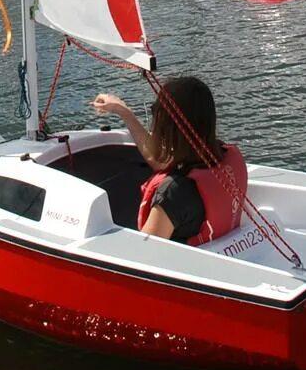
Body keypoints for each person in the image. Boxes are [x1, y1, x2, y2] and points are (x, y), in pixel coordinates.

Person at [92, 77, 247, 245]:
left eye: (155, 111)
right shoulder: (224, 156)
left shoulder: (173, 193)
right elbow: (160, 160)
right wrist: (123, 111)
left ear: (168, 126)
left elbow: (143, 251)